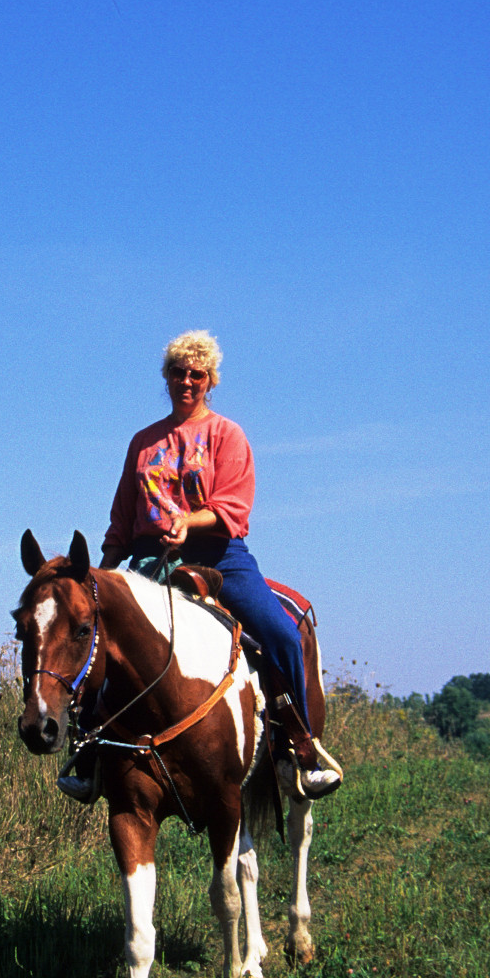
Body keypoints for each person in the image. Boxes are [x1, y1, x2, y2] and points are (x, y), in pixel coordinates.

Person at [60, 329, 339, 802]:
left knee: (280, 634)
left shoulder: (227, 434)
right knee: (102, 635)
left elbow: (233, 505)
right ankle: (89, 756)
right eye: (177, 372)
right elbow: (123, 516)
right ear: (165, 379)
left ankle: (300, 747)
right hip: (151, 557)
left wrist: (189, 521)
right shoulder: (143, 442)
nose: (186, 381)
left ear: (210, 381)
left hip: (219, 555)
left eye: (197, 374)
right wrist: (101, 572)